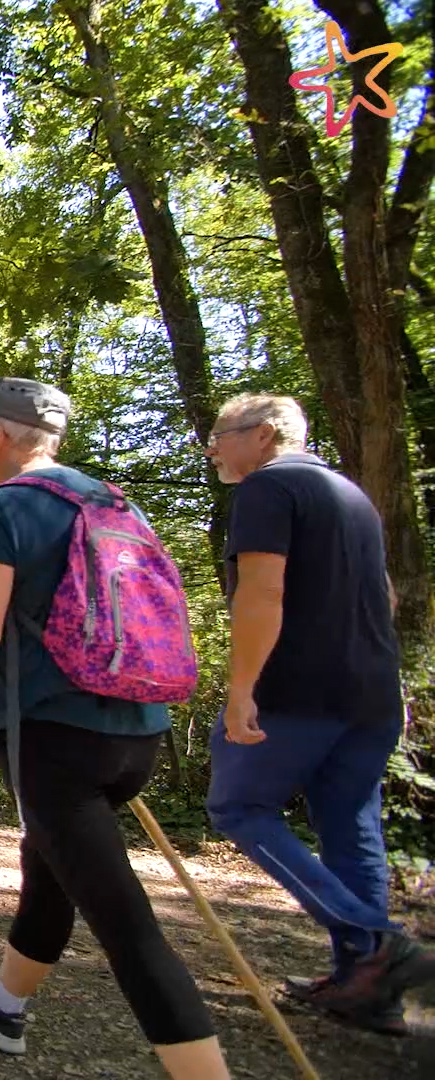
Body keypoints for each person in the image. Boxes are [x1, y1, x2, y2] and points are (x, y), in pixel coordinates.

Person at [0, 377, 228, 1079]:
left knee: (128, 929)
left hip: (54, 736)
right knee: (48, 859)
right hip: (139, 729)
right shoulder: (111, 502)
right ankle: (3, 998)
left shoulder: (0, 508)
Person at [202, 392, 434, 1034]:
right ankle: (368, 989)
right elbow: (384, 593)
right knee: (349, 824)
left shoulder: (270, 490)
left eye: (222, 434)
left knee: (239, 808)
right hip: (373, 691)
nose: (213, 447)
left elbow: (264, 589)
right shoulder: (351, 496)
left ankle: (376, 942)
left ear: (267, 434)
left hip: (298, 690)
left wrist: (243, 685)